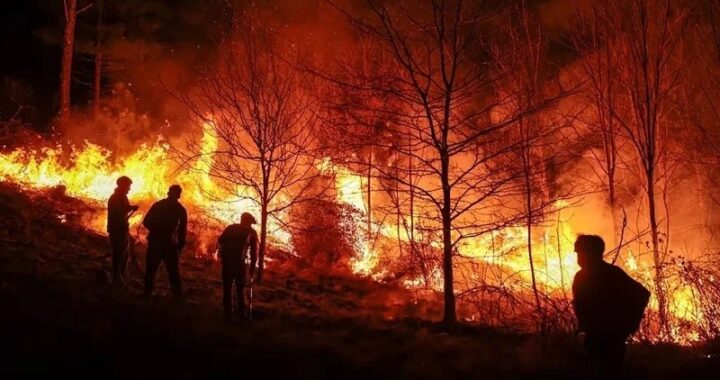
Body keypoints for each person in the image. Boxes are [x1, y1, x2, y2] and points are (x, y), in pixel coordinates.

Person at [572, 234, 650, 379]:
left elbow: (642, 293)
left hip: (611, 338)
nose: (578, 257)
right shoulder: (580, 277)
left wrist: (631, 324)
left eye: (580, 252)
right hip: (593, 337)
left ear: (592, 253)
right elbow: (581, 305)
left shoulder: (612, 274)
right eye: (577, 253)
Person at [142, 185, 187, 300]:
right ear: (178, 194)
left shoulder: (159, 205)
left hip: (157, 242)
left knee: (151, 271)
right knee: (173, 273)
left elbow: (146, 222)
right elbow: (182, 231)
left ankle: (146, 295)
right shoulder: (180, 209)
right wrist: (180, 246)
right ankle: (178, 299)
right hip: (168, 244)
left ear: (168, 193)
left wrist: (155, 230)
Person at [218, 212, 258, 323]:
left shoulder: (231, 228)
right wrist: (252, 268)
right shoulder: (251, 232)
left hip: (226, 262)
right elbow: (254, 253)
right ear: (249, 222)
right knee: (240, 290)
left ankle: (227, 315)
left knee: (227, 288)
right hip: (239, 264)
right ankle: (242, 315)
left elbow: (220, 240)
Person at [107, 176, 139, 286]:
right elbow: (119, 210)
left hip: (121, 228)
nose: (129, 189)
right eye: (128, 186)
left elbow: (123, 207)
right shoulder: (117, 197)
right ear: (122, 185)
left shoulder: (121, 196)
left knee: (123, 253)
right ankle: (116, 277)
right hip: (117, 229)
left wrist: (130, 207)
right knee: (118, 253)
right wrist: (131, 208)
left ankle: (121, 275)